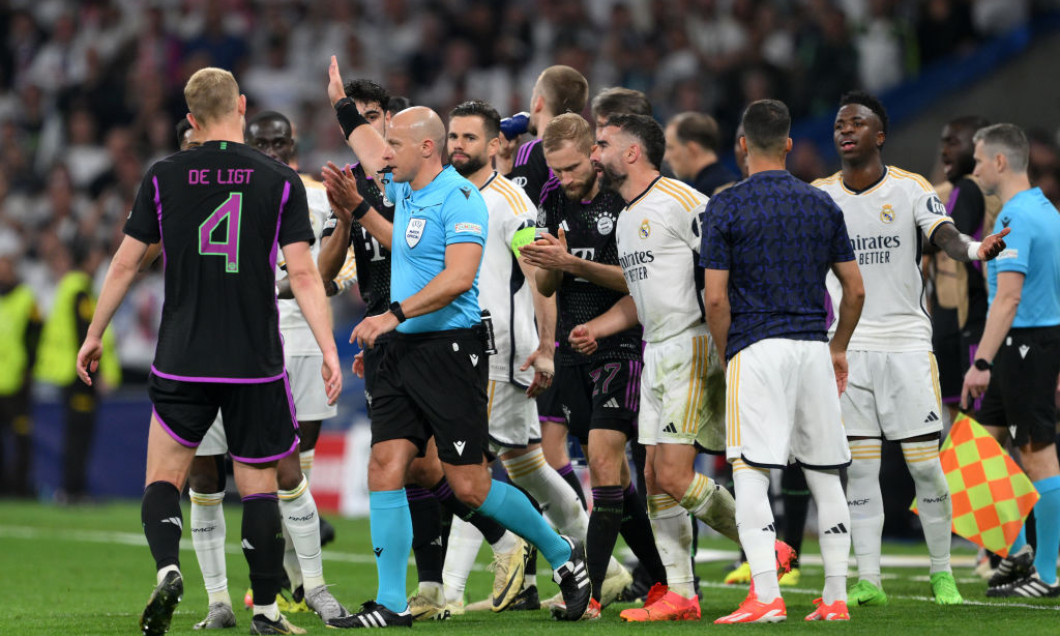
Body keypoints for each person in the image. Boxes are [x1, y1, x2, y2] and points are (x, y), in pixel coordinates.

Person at [323, 56, 590, 628]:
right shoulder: (408, 189)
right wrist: (343, 108)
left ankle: (564, 554)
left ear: (425, 149)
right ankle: (391, 603)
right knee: (387, 465)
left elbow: (457, 279)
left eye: (393, 143)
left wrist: (390, 314)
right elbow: (395, 224)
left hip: (450, 350)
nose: (382, 152)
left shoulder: (459, 199)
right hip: (398, 354)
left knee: (469, 485)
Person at [75, 67, 342, 636]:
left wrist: (96, 332)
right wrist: (328, 350)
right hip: (255, 359)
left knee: (164, 478)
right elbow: (304, 275)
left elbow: (126, 262)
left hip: (183, 355)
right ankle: (267, 612)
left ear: (191, 121)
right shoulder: (280, 180)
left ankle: (170, 569)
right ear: (241, 105)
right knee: (258, 487)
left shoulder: (164, 175)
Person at [814, 91, 1009, 607]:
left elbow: (943, 235)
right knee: (860, 468)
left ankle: (942, 572)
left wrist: (973, 248)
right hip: (848, 349)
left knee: (925, 464)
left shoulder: (909, 189)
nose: (844, 131)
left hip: (904, 344)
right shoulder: (820, 195)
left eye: (856, 123)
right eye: (838, 124)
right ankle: (869, 580)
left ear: (879, 135)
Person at [567, 112, 747, 622]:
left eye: (602, 144)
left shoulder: (684, 201)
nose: (594, 153)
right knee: (650, 477)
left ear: (631, 153)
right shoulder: (626, 218)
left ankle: (762, 541)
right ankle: (682, 594)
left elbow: (733, 265)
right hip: (656, 349)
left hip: (691, 346)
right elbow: (639, 297)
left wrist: (732, 342)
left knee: (670, 474)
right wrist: (597, 328)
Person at [184, 110, 354, 630]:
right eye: (263, 142)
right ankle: (242, 597)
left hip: (296, 337)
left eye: (281, 142)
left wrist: (324, 299)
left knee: (291, 467)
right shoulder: (228, 189)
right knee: (215, 472)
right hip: (232, 342)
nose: (274, 150)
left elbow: (337, 270)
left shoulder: (315, 196)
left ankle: (299, 583)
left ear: (294, 144)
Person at [704, 99, 864, 624]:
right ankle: (836, 597)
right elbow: (855, 290)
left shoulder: (725, 207)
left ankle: (767, 596)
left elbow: (715, 300)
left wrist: (731, 350)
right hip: (814, 349)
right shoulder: (822, 204)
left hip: (757, 347)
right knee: (824, 473)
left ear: (743, 145)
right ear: (790, 144)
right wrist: (837, 345)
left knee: (750, 472)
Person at [521, 113, 667, 617]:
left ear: (594, 153)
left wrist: (572, 264)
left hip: (620, 347)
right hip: (571, 350)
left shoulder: (622, 201)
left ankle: (591, 596)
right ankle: (663, 580)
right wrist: (549, 265)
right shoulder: (551, 200)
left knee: (604, 469)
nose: (564, 178)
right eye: (555, 170)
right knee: (617, 485)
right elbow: (545, 285)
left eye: (571, 167)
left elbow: (636, 280)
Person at [963, 123, 1060, 598]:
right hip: (1024, 344)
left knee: (1037, 453)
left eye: (979, 159)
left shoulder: (1019, 218)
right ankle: (1019, 552)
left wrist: (980, 362)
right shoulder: (1043, 210)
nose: (974, 167)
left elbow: (1009, 297)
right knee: (976, 449)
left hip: (1025, 344)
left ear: (1000, 162)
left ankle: (1048, 572)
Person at [37, 240, 120, 503]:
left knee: (77, 434)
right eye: (96, 255)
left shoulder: (74, 288)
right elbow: (85, 334)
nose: (99, 262)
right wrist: (95, 374)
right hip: (78, 375)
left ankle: (72, 489)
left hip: (70, 373)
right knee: (79, 435)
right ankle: (73, 490)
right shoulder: (79, 291)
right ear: (87, 259)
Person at [930, 116, 998, 418]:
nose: (945, 151)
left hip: (976, 322)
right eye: (943, 143)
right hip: (951, 319)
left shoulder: (973, 190)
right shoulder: (946, 192)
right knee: (969, 424)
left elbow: (944, 240)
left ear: (977, 149)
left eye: (953, 143)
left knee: (983, 427)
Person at [0, 253, 41, 497]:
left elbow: (36, 335)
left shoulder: (26, 298)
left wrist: (30, 368)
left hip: (18, 381)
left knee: (21, 437)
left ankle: (19, 487)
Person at [664, 112, 739, 196]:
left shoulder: (704, 197)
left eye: (670, 148)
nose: (666, 157)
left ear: (692, 149)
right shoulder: (734, 185)